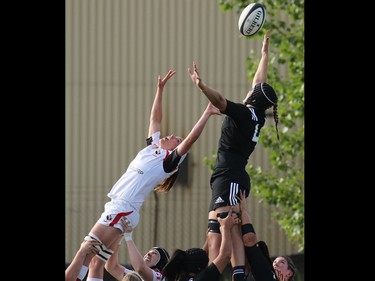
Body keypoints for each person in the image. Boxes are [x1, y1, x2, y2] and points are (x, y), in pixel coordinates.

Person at [73, 69, 221, 281]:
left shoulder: (167, 162)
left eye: (175, 139)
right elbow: (155, 119)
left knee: (85, 253)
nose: (171, 135)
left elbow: (190, 139)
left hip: (123, 208)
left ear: (174, 151)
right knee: (96, 262)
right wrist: (159, 90)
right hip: (119, 207)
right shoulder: (152, 148)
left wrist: (206, 113)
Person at [187, 30, 279, 281]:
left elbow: (219, 100)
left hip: (230, 177)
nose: (250, 90)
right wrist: (264, 53)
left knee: (231, 230)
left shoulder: (244, 113)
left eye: (253, 91)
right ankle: (218, 273)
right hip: (226, 176)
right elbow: (258, 83)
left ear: (253, 99)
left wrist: (201, 85)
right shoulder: (256, 114)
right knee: (214, 232)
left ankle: (238, 274)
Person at [161, 207, 240, 281]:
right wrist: (225, 227)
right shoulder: (202, 278)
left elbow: (200, 258)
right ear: (199, 269)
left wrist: (210, 238)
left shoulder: (181, 277)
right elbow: (225, 255)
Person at [238, 190, 296, 281]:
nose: (275, 264)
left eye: (282, 262)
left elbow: (250, 240)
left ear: (289, 273)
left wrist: (244, 210)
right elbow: (250, 241)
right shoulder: (267, 273)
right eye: (275, 261)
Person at [105, 217, 170, 281]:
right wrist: (119, 236)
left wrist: (128, 236)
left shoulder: (160, 278)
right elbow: (111, 267)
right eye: (148, 252)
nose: (149, 254)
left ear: (161, 262)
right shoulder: (137, 276)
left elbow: (140, 268)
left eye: (154, 253)